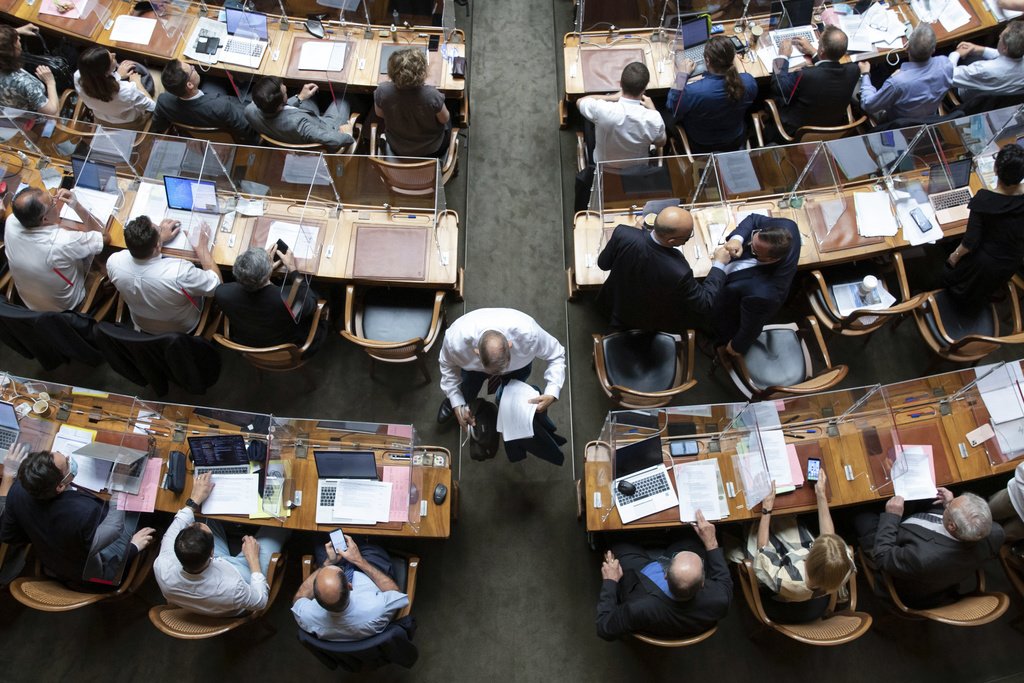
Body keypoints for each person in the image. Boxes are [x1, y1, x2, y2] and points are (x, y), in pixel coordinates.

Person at [0, 449, 154, 589]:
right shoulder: (84, 511)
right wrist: (119, 485)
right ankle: (133, 548)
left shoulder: (18, 490)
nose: (68, 457)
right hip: (94, 575)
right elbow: (114, 528)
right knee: (135, 514)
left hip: (56, 563)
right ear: (60, 487)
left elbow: (9, 535)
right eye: (67, 463)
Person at [154, 472, 290, 617]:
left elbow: (179, 521)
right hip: (240, 575)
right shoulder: (234, 587)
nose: (194, 523)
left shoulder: (163, 564)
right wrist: (253, 561)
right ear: (212, 552)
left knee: (205, 515)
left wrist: (195, 499)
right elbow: (261, 601)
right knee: (279, 523)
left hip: (211, 583)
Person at [737, 472, 855, 623]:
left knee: (753, 527)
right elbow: (829, 537)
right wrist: (821, 494)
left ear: (808, 557)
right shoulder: (843, 567)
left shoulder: (789, 579)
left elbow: (762, 549)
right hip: (816, 592)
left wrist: (766, 508)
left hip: (784, 599)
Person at [855, 488, 1004, 608]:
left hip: (894, 548)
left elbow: (883, 557)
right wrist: (949, 502)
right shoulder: (995, 533)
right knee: (925, 493)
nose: (950, 501)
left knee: (861, 514)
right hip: (923, 540)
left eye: (950, 505)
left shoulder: (923, 558)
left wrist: (892, 517)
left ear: (952, 526)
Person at [596, 510, 732, 640]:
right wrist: (711, 543)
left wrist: (610, 582)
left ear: (665, 573)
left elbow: (604, 628)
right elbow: (723, 578)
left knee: (617, 535)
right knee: (690, 533)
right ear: (703, 581)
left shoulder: (639, 609)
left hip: (642, 579)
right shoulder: (719, 599)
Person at [596, 205, 731, 332]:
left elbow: (603, 264)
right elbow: (705, 303)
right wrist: (719, 263)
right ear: (671, 241)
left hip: (611, 304)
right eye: (687, 237)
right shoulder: (679, 271)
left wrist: (636, 234)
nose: (688, 239)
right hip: (647, 321)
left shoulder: (623, 233)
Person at [436, 308, 566, 428]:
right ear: (477, 352)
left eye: (504, 367)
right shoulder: (455, 341)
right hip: (473, 372)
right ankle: (461, 401)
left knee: (509, 395)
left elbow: (556, 354)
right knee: (468, 388)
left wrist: (552, 391)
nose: (500, 374)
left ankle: (505, 406)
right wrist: (456, 401)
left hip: (517, 370)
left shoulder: (529, 334)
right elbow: (447, 366)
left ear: (510, 345)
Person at [574, 62, 666, 212]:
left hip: (603, 168)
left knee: (588, 125)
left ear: (621, 84)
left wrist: (612, 98)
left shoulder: (604, 109)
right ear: (644, 88)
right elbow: (661, 142)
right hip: (636, 173)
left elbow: (580, 102)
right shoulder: (653, 118)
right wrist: (654, 110)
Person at [106, 216, 221, 335]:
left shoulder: (114, 262)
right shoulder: (180, 273)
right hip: (182, 329)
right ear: (157, 246)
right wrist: (202, 249)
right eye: (159, 230)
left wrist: (157, 239)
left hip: (142, 324)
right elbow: (218, 286)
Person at [943, 143, 1024, 308]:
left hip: (979, 268)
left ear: (995, 169)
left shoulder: (984, 200)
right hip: (1009, 264)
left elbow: (969, 243)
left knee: (941, 271)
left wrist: (953, 258)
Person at [4, 187, 109, 312]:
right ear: (45, 219)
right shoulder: (62, 242)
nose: (56, 201)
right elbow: (105, 237)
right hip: (66, 308)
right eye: (53, 202)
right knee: (107, 260)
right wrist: (77, 206)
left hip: (29, 300)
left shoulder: (11, 221)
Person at [292, 535, 409, 641]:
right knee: (370, 538)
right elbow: (395, 592)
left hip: (334, 562)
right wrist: (358, 560)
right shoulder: (377, 608)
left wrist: (327, 563)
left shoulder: (307, 616)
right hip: (371, 574)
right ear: (349, 585)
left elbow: (299, 597)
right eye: (340, 569)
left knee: (321, 537)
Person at [214, 246, 326, 357]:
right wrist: (292, 269)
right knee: (317, 292)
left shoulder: (222, 293)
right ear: (268, 273)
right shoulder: (286, 299)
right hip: (287, 347)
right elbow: (311, 304)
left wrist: (263, 272)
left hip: (249, 346)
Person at [713, 214, 801, 354]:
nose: (748, 245)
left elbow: (751, 328)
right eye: (754, 237)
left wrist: (736, 347)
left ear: (771, 258)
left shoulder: (763, 295)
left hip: (736, 307)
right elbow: (753, 219)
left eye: (754, 249)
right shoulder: (787, 227)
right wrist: (737, 239)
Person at [667, 36, 757, 153]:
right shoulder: (749, 82)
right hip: (735, 139)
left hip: (702, 143)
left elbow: (672, 106)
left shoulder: (694, 92)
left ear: (707, 61)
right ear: (733, 57)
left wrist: (682, 75)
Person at [770, 27, 859, 138]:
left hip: (797, 132)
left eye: (819, 43)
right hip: (831, 126)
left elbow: (779, 86)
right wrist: (813, 52)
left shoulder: (806, 75)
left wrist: (782, 56)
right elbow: (828, 69)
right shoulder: (854, 70)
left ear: (821, 50)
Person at [859, 24, 952, 123]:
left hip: (898, 123)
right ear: (933, 50)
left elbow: (868, 105)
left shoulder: (897, 83)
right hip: (929, 117)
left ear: (907, 48)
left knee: (858, 85)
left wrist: (865, 74)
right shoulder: (946, 64)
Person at [151, 59, 257, 144]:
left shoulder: (163, 102)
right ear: (189, 85)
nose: (194, 67)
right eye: (191, 69)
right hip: (239, 108)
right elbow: (248, 131)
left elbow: (158, 127)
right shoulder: (223, 107)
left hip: (210, 109)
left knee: (213, 78)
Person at [374, 47, 451, 159]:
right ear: (421, 72)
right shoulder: (432, 95)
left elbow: (379, 114)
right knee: (451, 112)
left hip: (399, 148)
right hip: (433, 149)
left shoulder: (383, 91)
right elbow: (445, 119)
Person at [245, 77, 355, 153]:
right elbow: (336, 140)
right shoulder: (300, 125)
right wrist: (349, 134)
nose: (285, 87)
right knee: (343, 97)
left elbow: (275, 108)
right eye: (285, 92)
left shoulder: (249, 111)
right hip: (327, 127)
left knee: (310, 97)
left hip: (288, 131)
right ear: (280, 103)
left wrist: (300, 97)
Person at [73, 47, 154, 127]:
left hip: (101, 119)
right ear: (106, 71)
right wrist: (136, 82)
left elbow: (99, 82)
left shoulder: (77, 76)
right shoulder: (127, 90)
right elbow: (152, 106)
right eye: (112, 59)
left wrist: (118, 75)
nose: (114, 54)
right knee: (154, 77)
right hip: (129, 123)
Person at [949, 21, 1024, 100]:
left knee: (944, 53)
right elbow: (1004, 56)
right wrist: (978, 49)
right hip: (1001, 97)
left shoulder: (982, 69)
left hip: (965, 94)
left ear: (1005, 48)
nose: (999, 36)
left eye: (1000, 37)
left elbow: (948, 75)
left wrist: (956, 53)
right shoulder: (1016, 52)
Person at [0, 23, 58, 115]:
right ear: (12, 51)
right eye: (15, 40)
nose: (19, 38)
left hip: (7, 109)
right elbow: (51, 111)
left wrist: (16, 31)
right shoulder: (26, 83)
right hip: (28, 117)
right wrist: (50, 82)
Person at [989, 461, 1024, 543]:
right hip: (1012, 496)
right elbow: (1021, 472)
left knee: (997, 538)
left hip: (1022, 524)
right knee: (983, 515)